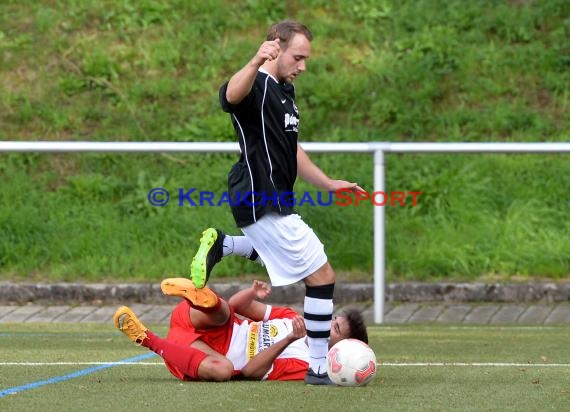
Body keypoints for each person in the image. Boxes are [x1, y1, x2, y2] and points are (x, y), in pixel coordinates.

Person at [189, 20, 364, 384]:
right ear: (276, 47)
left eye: (306, 59)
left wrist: (328, 183)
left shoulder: (285, 92)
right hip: (260, 197)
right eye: (298, 57)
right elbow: (229, 98)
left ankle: (226, 244)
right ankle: (318, 366)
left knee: (294, 262)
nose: (303, 66)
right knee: (322, 276)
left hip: (272, 200)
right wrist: (255, 61)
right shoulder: (259, 85)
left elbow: (293, 151)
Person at [114, 277, 368, 382]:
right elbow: (238, 307)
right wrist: (252, 293)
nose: (326, 321)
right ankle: (199, 296)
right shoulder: (292, 317)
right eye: (332, 317)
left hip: (194, 354)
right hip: (199, 319)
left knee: (225, 370)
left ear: (339, 348)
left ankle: (146, 338)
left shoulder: (307, 363)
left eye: (334, 327)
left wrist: (289, 338)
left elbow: (250, 372)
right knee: (225, 311)